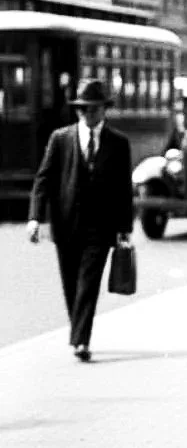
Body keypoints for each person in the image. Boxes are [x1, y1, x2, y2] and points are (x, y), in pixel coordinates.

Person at [27, 79, 134, 363]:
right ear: (77, 111)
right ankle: (79, 332)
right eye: (83, 109)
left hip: (100, 228)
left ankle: (81, 341)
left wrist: (125, 229)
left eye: (93, 109)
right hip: (65, 225)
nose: (88, 114)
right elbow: (44, 179)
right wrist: (35, 218)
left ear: (104, 110)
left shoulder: (119, 143)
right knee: (71, 284)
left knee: (88, 283)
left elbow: (124, 188)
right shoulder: (60, 139)